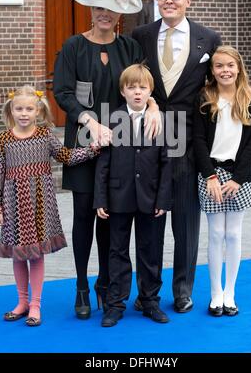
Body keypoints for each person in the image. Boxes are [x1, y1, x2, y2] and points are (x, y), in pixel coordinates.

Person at [53, 0, 160, 320]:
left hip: (122, 143)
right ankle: (82, 286)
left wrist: (154, 107)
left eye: (111, 9)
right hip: (85, 139)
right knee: (85, 213)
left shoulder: (128, 48)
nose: (104, 14)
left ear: (119, 15)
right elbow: (63, 93)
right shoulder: (73, 46)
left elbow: (142, 84)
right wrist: (91, 122)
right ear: (91, 10)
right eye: (99, 7)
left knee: (111, 217)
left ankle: (107, 283)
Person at [132, 0, 222, 314]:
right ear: (157, 0)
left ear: (188, 0)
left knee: (185, 220)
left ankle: (183, 290)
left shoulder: (208, 38)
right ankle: (147, 292)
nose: (168, 0)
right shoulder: (140, 36)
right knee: (149, 221)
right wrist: (151, 104)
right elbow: (134, 83)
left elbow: (218, 85)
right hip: (149, 137)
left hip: (188, 139)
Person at [0, 85, 98, 326]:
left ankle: (36, 305)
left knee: (36, 255)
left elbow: (67, 156)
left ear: (38, 111)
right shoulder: (4, 140)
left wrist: (92, 150)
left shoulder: (45, 136)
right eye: (19, 108)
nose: (24, 113)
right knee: (18, 256)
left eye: (29, 108)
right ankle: (22, 302)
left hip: (40, 203)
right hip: (13, 203)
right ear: (11, 110)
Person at [93, 64, 172, 327]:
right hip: (118, 198)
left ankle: (150, 301)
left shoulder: (160, 121)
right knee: (117, 251)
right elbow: (103, 163)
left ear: (150, 92)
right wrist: (100, 199)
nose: (137, 93)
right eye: (131, 87)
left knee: (151, 251)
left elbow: (166, 164)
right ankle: (115, 304)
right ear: (122, 91)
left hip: (151, 200)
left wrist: (163, 199)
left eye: (142, 88)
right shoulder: (112, 119)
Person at [193, 45, 251, 316]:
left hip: (238, 176)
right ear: (212, 70)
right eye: (219, 66)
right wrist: (209, 174)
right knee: (216, 234)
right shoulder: (205, 99)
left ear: (238, 68)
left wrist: (238, 178)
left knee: (233, 234)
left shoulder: (250, 100)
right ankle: (215, 294)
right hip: (211, 174)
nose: (225, 70)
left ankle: (230, 292)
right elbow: (197, 140)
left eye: (230, 65)